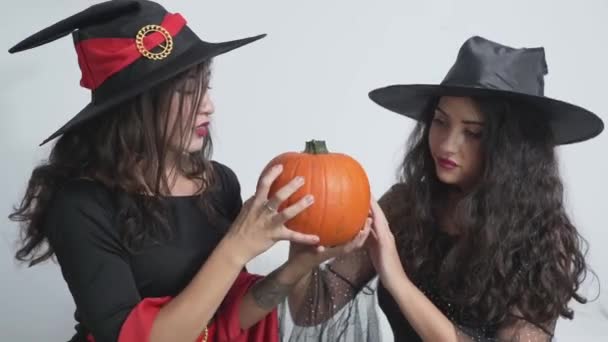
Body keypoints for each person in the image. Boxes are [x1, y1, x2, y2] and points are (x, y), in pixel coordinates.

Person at [7, 1, 370, 341]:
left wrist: (298, 267)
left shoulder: (219, 182)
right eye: (186, 92)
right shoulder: (79, 205)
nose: (208, 106)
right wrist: (236, 246)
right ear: (134, 106)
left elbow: (224, 320)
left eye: (206, 88)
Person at [283, 36, 604, 341]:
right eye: (440, 121)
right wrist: (301, 239)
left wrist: (397, 279)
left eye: (473, 133)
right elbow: (312, 309)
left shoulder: (542, 239)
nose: (447, 145)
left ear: (513, 150)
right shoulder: (404, 207)